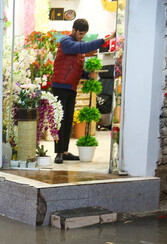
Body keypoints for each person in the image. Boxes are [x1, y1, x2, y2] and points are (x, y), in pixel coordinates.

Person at [51, 19, 116, 164]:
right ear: (73, 30)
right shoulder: (66, 42)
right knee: (59, 120)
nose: (81, 36)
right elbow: (81, 47)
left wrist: (87, 75)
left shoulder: (78, 50)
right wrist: (107, 39)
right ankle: (58, 153)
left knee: (68, 120)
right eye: (80, 34)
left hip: (71, 87)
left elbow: (77, 70)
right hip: (60, 86)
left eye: (83, 34)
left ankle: (65, 151)